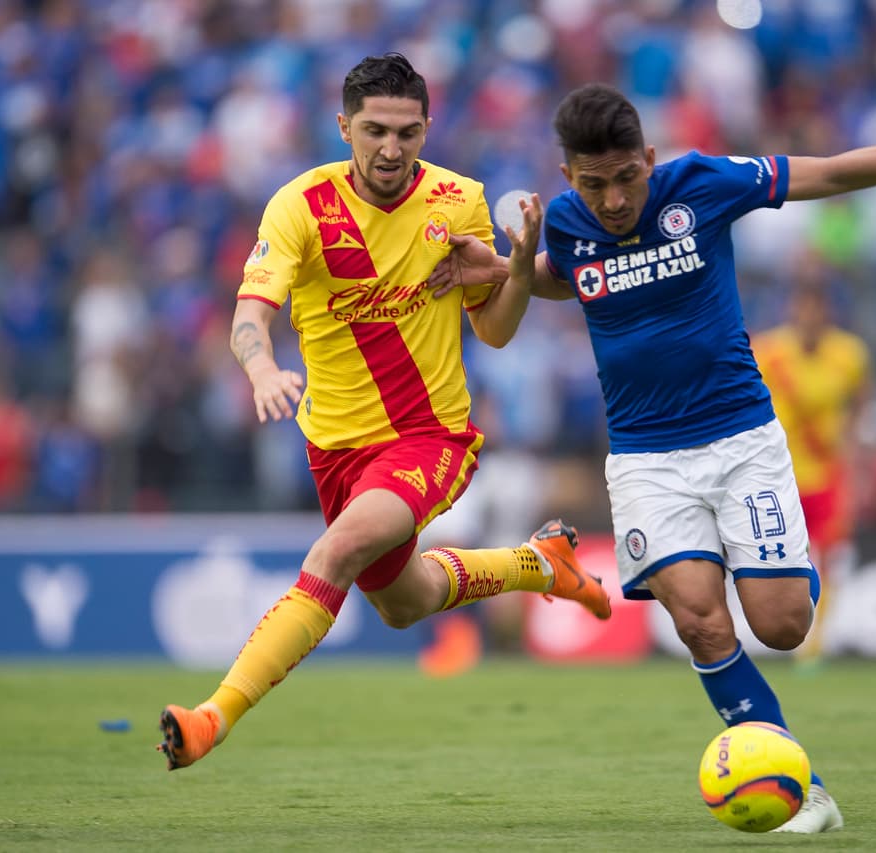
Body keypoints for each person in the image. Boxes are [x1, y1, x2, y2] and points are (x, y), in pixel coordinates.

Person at [432, 83, 876, 832]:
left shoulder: (703, 184)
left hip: (742, 439)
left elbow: (833, 171)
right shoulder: (565, 226)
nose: (614, 199)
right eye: (594, 184)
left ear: (649, 159)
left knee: (781, 624)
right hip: (647, 458)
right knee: (702, 624)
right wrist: (505, 266)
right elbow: (567, 280)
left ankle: (784, 578)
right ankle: (799, 785)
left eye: (626, 177)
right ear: (568, 178)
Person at [155, 54, 611, 772]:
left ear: (427, 128)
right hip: (335, 449)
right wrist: (263, 365)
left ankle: (213, 715)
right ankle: (538, 564)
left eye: (406, 131)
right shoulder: (300, 205)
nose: (391, 148)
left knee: (334, 555)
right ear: (344, 127)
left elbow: (491, 328)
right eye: (374, 130)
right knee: (406, 601)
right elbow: (251, 312)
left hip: (429, 436)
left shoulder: (458, 199)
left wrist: (517, 267)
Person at [750, 273, 871, 669]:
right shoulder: (768, 351)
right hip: (778, 472)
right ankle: (773, 627)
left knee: (829, 556)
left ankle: (813, 645)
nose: (809, 316)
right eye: (802, 307)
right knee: (780, 556)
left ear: (829, 313)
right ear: (791, 310)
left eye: (817, 308)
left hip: (827, 473)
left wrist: (855, 465)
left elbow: (858, 408)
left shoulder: (850, 354)